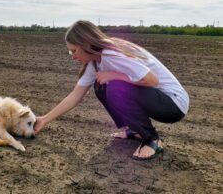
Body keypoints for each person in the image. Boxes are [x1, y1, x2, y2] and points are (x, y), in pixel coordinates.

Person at [34, 20, 189, 160]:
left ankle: (152, 139)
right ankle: (133, 129)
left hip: (173, 104)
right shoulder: (94, 62)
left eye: (73, 51)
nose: (72, 56)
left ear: (86, 44)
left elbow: (152, 80)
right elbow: (75, 96)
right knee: (101, 85)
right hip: (158, 100)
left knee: (115, 86)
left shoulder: (112, 54)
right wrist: (44, 119)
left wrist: (115, 75)